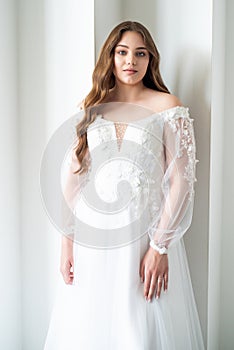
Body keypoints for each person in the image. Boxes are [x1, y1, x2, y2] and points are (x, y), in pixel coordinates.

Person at [43, 21, 205, 350]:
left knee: (139, 328)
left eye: (140, 53)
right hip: (93, 242)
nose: (130, 60)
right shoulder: (92, 109)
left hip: (143, 241)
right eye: (122, 52)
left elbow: (181, 181)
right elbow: (74, 181)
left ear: (150, 60)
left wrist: (160, 247)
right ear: (111, 58)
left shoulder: (168, 107)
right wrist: (66, 243)